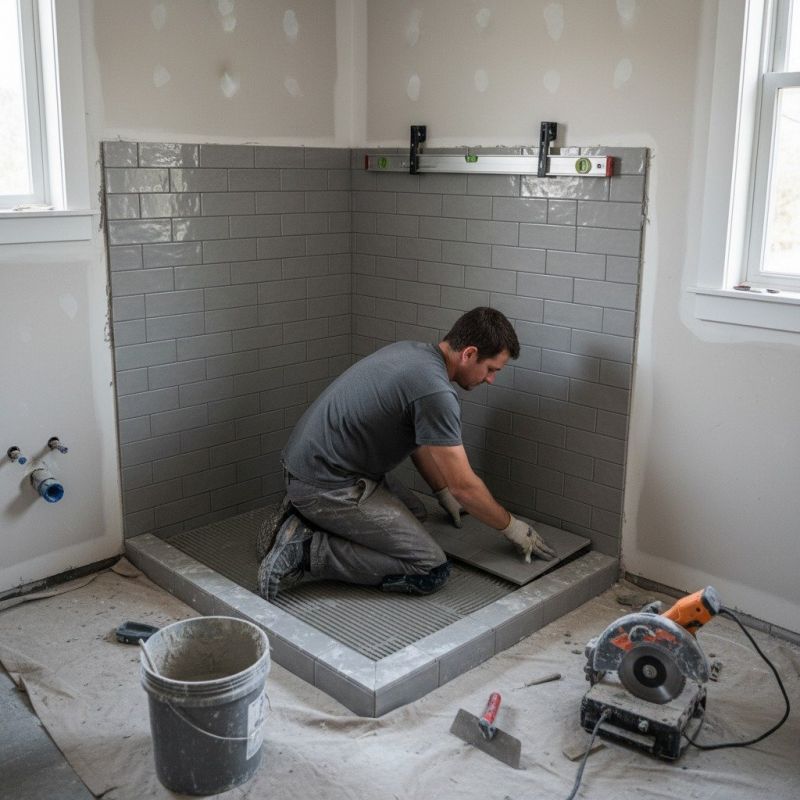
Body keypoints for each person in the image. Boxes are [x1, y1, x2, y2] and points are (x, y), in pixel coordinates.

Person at [256, 306, 556, 601]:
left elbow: (422, 440)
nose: (490, 379)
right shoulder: (435, 391)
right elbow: (465, 487)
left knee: (416, 513)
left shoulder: (412, 353)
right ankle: (305, 551)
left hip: (311, 465)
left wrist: (441, 493)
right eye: (491, 369)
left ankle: (300, 517)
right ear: (469, 354)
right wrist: (511, 527)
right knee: (429, 569)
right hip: (327, 483)